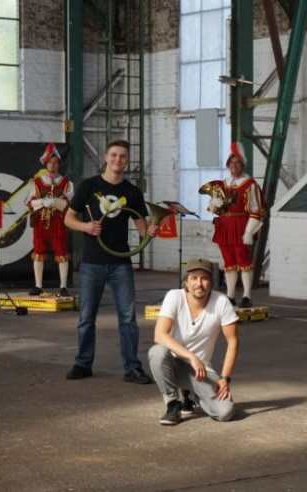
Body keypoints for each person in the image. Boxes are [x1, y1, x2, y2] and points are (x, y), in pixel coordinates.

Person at [63, 139, 157, 384]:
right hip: (92, 262)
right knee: (86, 318)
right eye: (114, 155)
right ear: (106, 157)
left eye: (123, 156)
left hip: (121, 263)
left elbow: (142, 228)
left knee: (128, 319)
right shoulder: (88, 186)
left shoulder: (132, 192)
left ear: (127, 160)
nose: (118, 160)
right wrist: (86, 226)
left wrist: (150, 231)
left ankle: (132, 368)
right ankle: (83, 364)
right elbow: (68, 219)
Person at [148, 257, 239, 425]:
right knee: (157, 352)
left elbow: (232, 341)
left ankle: (191, 394)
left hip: (201, 371)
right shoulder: (174, 296)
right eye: (194, 278)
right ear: (186, 282)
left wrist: (225, 379)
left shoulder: (221, 302)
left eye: (204, 278)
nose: (199, 283)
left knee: (225, 412)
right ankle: (172, 404)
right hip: (173, 364)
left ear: (211, 282)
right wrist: (191, 357)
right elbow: (159, 335)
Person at [207, 142, 266, 308]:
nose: (234, 165)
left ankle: (247, 296)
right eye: (231, 163)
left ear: (243, 164)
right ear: (228, 165)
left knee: (243, 260)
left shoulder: (250, 184)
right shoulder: (222, 184)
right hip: (224, 226)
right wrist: (214, 204)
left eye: (238, 162)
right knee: (228, 261)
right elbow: (213, 210)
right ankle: (230, 295)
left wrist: (249, 231)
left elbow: (257, 209)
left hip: (241, 225)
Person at [26, 143, 74, 297]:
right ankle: (38, 286)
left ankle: (63, 286)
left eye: (55, 162)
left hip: (58, 222)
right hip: (40, 221)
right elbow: (29, 203)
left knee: (61, 251)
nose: (52, 165)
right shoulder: (37, 182)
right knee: (38, 250)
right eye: (50, 162)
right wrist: (42, 202)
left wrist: (56, 202)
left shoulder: (67, 184)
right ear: (46, 163)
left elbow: (70, 205)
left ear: (59, 164)